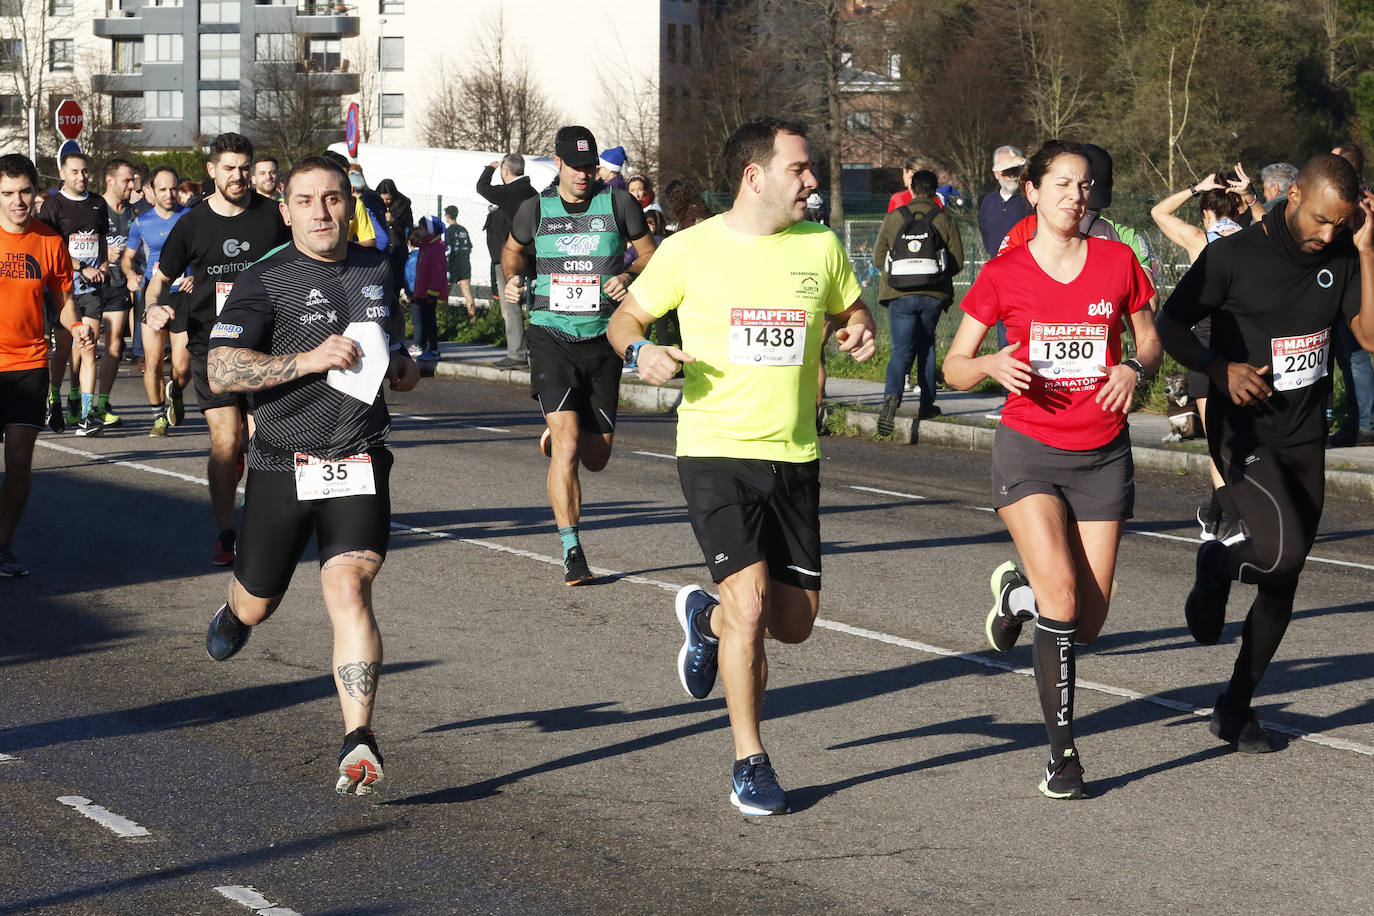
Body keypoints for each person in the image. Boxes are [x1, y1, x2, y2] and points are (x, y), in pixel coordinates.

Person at [607, 116, 876, 816]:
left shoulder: (820, 247)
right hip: (715, 450)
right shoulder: (691, 249)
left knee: (794, 624)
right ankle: (750, 761)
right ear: (754, 177)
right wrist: (644, 354)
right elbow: (624, 321)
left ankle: (705, 620)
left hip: (795, 454)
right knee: (752, 607)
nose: (812, 181)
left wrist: (858, 326)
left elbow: (852, 309)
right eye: (800, 169)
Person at [943, 140, 1160, 799]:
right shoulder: (1005, 274)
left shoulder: (1118, 262)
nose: (1076, 194)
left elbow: (1150, 337)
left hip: (1102, 455)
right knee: (1062, 599)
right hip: (1030, 451)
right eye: (1062, 183)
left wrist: (1135, 367)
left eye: (1085, 184)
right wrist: (987, 366)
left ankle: (1017, 594)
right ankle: (1062, 755)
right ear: (1032, 192)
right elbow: (954, 365)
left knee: (1086, 624)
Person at [202, 154, 419, 795]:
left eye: (333, 198)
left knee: (349, 590)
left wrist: (403, 365)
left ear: (348, 204)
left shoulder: (378, 265)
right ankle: (237, 613)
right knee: (258, 604)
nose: (322, 211)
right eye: (307, 200)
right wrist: (308, 358)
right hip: (281, 464)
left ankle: (359, 739)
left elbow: (390, 341)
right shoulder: (264, 280)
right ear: (287, 209)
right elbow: (221, 372)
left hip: (358, 457)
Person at [1156, 153, 1374, 753]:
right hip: (1243, 434)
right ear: (1295, 194)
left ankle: (1235, 706)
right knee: (1281, 556)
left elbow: (1371, 337)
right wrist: (1216, 366)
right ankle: (1216, 566)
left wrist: (1366, 249)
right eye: (1321, 220)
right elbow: (1170, 324)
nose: (1326, 234)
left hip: (1305, 436)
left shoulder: (1341, 254)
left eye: (1341, 223)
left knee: (1285, 581)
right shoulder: (1232, 256)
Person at [502, 125, 656, 585]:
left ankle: (557, 433)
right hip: (551, 334)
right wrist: (513, 279)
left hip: (603, 338)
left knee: (596, 457)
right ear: (558, 163)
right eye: (576, 167)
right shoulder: (535, 209)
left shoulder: (619, 203)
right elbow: (513, 252)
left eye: (591, 167)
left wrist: (627, 276)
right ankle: (572, 548)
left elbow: (651, 255)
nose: (585, 175)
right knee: (569, 447)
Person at [144, 133, 291, 566]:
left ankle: (262, 516)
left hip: (268, 342)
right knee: (227, 442)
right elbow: (159, 282)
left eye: (244, 167)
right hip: (213, 345)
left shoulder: (272, 216)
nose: (238, 176)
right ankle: (227, 532)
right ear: (212, 171)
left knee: (266, 438)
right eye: (229, 168)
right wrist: (153, 308)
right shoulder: (191, 224)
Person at [0, 153, 93, 576]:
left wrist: (77, 328)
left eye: (23, 192)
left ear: (36, 193)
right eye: (7, 193)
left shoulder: (50, 241)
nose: (17, 201)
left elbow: (64, 301)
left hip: (29, 362)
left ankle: (2, 546)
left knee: (19, 463)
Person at [1151, 168, 1253, 541]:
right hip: (1246, 344)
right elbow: (1280, 222)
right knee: (1241, 434)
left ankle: (1231, 522)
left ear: (1207, 212)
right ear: (1239, 208)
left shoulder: (1199, 238)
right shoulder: (1255, 237)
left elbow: (1158, 213)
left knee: (1217, 440)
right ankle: (1213, 514)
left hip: (1205, 346)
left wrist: (1195, 188)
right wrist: (1253, 198)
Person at [873, 168, 963, 433]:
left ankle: (891, 399)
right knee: (927, 347)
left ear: (911, 189)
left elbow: (879, 258)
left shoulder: (894, 218)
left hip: (899, 296)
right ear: (935, 191)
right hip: (931, 297)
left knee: (901, 351)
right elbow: (957, 260)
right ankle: (927, 403)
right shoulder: (943, 219)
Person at [38, 149, 106, 436]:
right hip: (63, 290)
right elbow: (49, 250)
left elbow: (101, 239)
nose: (82, 176)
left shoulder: (97, 203)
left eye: (85, 171)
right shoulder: (52, 207)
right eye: (75, 172)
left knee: (88, 347)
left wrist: (102, 263)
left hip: (91, 289)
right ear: (63, 174)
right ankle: (55, 399)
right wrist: (80, 267)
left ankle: (87, 415)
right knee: (64, 350)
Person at [123, 164, 190, 437]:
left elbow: (203, 256)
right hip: (154, 294)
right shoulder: (141, 223)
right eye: (163, 189)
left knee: (181, 368)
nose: (169, 194)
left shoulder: (190, 218)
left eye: (173, 188)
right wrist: (130, 274)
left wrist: (196, 276)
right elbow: (128, 258)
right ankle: (158, 417)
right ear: (151, 191)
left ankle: (175, 390)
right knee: (152, 362)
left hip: (183, 294)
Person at [1327, 144, 1374, 447]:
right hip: (1343, 286)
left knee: (1355, 358)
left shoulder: (1364, 202)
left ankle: (1366, 425)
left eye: (1335, 163)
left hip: (1358, 288)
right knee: (1347, 359)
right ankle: (1358, 421)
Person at [477, 153, 537, 368]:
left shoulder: (510, 192)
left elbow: (482, 188)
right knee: (534, 306)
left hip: (510, 260)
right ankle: (533, 351)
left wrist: (489, 168)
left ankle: (517, 354)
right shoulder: (532, 192)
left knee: (510, 306)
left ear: (505, 172)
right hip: (531, 257)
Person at [91, 157, 138, 429]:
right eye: (126, 180)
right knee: (84, 346)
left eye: (132, 179)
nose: (131, 184)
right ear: (110, 180)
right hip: (93, 286)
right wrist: (101, 253)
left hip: (119, 286)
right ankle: (77, 400)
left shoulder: (132, 213)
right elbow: (74, 244)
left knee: (114, 345)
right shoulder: (94, 208)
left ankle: (102, 403)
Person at [408, 224, 446, 361]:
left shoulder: (435, 248)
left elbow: (436, 272)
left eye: (422, 228)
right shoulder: (426, 247)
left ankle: (434, 349)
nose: (419, 231)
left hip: (428, 294)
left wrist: (432, 293)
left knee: (430, 322)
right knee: (424, 320)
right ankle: (424, 348)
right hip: (421, 292)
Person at [442, 205, 477, 317]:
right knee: (467, 292)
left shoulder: (448, 231)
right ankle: (472, 317)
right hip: (464, 263)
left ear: (447, 215)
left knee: (445, 291)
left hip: (452, 264)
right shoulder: (463, 229)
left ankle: (444, 315)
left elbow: (446, 248)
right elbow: (469, 247)